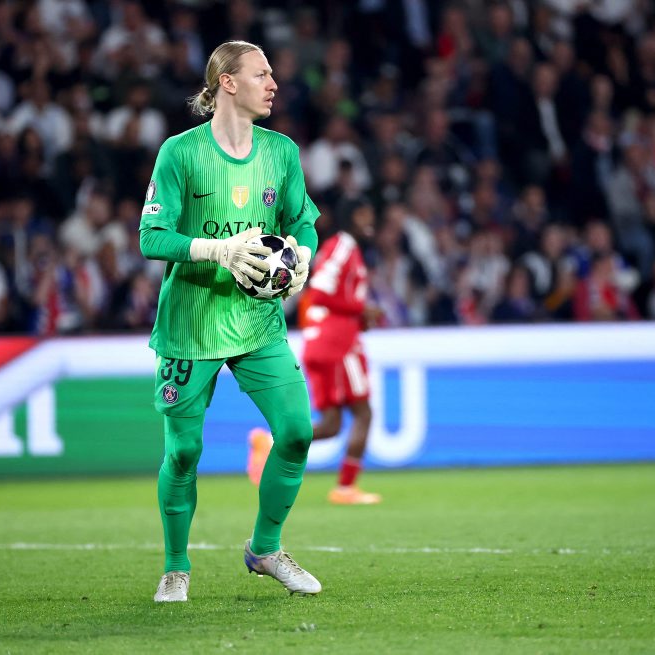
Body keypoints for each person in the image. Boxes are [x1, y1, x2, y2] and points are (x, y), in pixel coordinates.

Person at [137, 41, 320, 603]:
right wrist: (218, 250)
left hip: (257, 320)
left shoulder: (281, 152)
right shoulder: (180, 153)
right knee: (184, 453)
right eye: (262, 74)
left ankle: (266, 548)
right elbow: (151, 237)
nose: (274, 84)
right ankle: (175, 567)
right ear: (228, 83)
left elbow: (303, 222)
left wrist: (303, 255)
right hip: (191, 321)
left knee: (297, 431)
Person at [248, 198, 382, 504]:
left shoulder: (343, 248)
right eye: (364, 214)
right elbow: (320, 289)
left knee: (332, 424)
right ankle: (346, 488)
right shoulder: (343, 246)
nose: (369, 219)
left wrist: (359, 315)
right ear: (352, 217)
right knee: (363, 412)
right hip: (338, 345)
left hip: (323, 342)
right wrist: (361, 310)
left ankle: (268, 442)